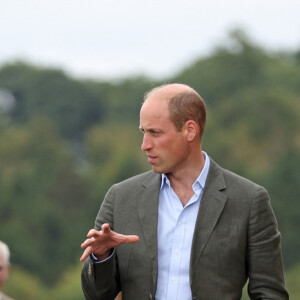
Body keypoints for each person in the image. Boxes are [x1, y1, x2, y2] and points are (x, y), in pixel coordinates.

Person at [80, 83, 289, 300]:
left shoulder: (249, 200)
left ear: (190, 130)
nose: (145, 144)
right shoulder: (120, 198)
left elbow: (270, 293)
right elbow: (96, 295)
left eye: (155, 133)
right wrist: (101, 256)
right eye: (144, 132)